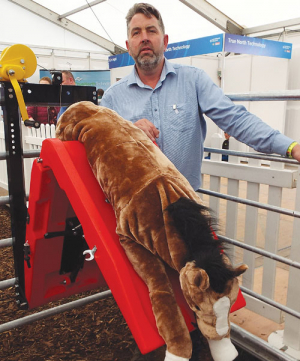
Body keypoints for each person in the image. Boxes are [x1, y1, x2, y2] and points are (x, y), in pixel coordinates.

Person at [101, 3, 300, 191]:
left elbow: (236, 119)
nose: (144, 37)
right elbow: (103, 154)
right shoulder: (112, 98)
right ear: (128, 46)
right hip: (136, 208)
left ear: (165, 41)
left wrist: (290, 147)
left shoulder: (193, 80)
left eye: (151, 30)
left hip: (187, 203)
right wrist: (128, 134)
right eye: (137, 32)